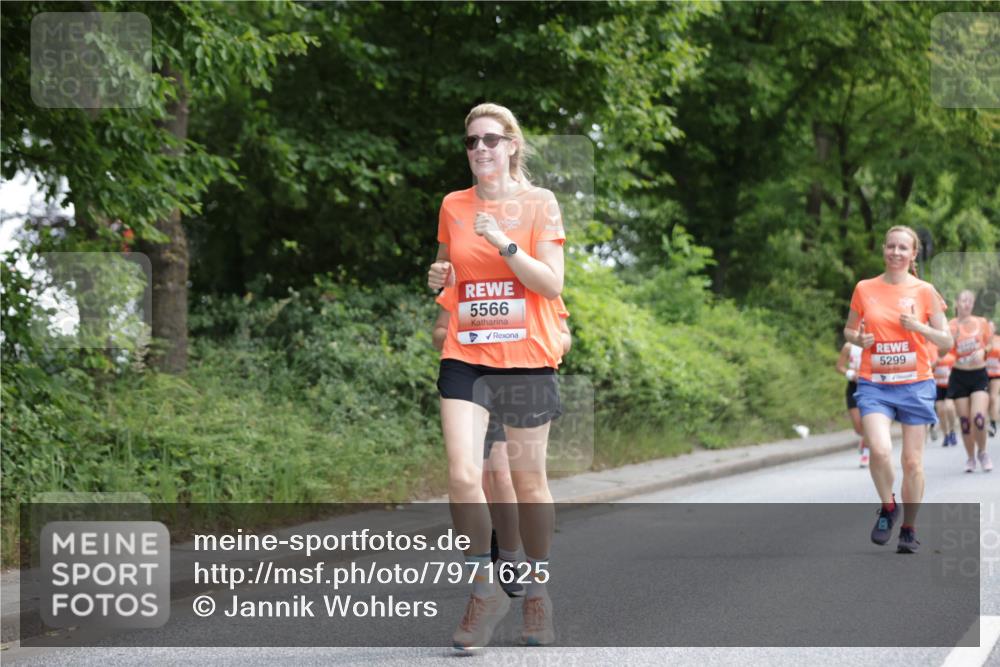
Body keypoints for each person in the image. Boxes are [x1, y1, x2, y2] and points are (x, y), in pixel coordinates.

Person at [427, 102, 565, 650]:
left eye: (490, 140)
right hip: (466, 355)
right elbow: (447, 275)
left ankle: (536, 591)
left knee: (529, 483)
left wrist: (504, 243)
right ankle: (485, 590)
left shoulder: (539, 204)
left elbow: (551, 285)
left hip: (527, 358)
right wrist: (437, 276)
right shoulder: (452, 205)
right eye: (471, 142)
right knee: (464, 476)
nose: (479, 149)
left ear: (511, 145)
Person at [432, 298, 571, 600]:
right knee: (470, 477)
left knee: (504, 476)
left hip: (518, 381)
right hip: (474, 382)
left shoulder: (533, 278)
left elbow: (563, 336)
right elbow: (440, 333)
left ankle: (509, 560)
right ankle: (485, 572)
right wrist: (471, 332)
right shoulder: (463, 277)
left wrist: (538, 342)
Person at [843, 225, 952, 554]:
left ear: (913, 254)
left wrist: (918, 326)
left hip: (916, 385)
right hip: (874, 383)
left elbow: (946, 342)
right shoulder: (865, 288)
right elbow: (849, 329)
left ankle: (909, 528)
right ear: (883, 250)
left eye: (903, 248)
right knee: (879, 450)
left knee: (913, 463)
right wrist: (858, 339)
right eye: (890, 246)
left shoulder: (925, 291)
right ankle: (889, 508)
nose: (895, 252)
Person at [946, 290, 993, 472]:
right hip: (959, 376)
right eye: (963, 300)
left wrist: (984, 351)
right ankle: (971, 458)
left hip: (978, 374)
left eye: (970, 301)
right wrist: (951, 343)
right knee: (965, 422)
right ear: (956, 303)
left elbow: (989, 343)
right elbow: (943, 351)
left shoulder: (981, 323)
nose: (966, 304)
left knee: (979, 418)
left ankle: (983, 452)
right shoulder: (950, 326)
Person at [836, 340, 868, 466]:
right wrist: (850, 373)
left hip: (870, 387)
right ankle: (865, 439)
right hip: (854, 387)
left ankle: (866, 453)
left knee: (868, 423)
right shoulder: (849, 346)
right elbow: (839, 367)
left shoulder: (876, 343)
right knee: (858, 427)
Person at [932, 349, 959, 447]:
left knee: (949, 407)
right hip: (938, 386)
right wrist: (936, 362)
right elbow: (928, 368)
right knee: (940, 410)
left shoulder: (952, 355)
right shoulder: (932, 353)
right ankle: (946, 435)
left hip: (950, 385)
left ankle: (952, 430)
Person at [986, 322, 999, 438]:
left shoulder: (998, 340)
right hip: (982, 374)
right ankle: (983, 422)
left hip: (996, 373)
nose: (989, 329)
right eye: (987, 327)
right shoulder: (980, 340)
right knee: (984, 399)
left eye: (991, 327)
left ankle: (993, 424)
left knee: (993, 397)